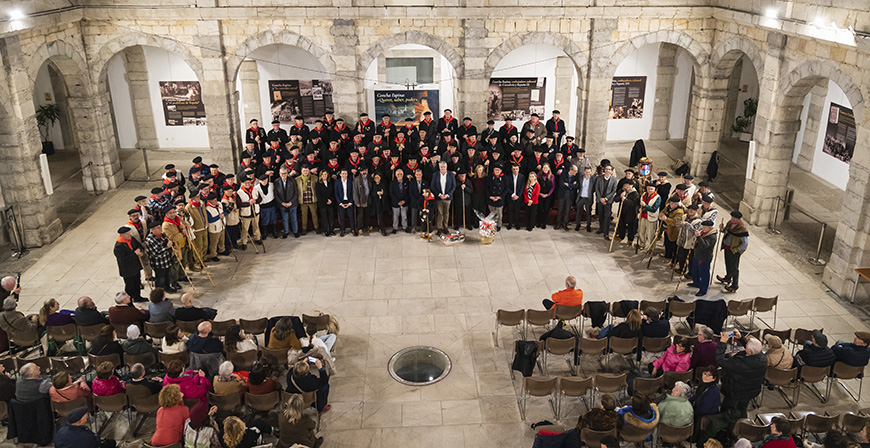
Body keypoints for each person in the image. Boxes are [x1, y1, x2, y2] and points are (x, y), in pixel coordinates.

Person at [716, 329, 766, 418]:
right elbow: (753, 349)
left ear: (749, 352)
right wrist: (741, 339)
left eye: (746, 345)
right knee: (742, 407)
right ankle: (743, 423)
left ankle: (727, 427)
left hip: (735, 391)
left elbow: (720, 360)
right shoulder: (763, 358)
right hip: (751, 390)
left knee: (727, 410)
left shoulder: (740, 363)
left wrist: (723, 343)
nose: (745, 345)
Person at [717, 210, 750, 293]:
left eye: (735, 218)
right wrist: (722, 229)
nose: (733, 219)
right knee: (728, 263)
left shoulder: (742, 229)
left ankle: (735, 285)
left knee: (734, 268)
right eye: (732, 217)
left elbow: (745, 243)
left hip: (734, 251)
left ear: (739, 219)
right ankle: (728, 278)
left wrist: (737, 251)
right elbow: (726, 232)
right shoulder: (730, 223)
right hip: (727, 248)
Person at [114, 226, 144, 302]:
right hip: (128, 270)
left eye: (128, 233)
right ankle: (128, 301)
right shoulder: (118, 247)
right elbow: (123, 259)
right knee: (130, 286)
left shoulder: (131, 239)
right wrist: (135, 253)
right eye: (126, 234)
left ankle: (137, 297)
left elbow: (139, 245)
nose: (128, 235)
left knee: (137, 283)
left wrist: (139, 249)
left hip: (135, 267)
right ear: (121, 235)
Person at [688, 220, 717, 296]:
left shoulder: (712, 236)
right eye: (703, 227)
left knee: (703, 273)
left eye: (705, 227)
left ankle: (703, 290)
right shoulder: (703, 233)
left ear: (710, 227)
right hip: (697, 255)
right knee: (695, 271)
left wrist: (698, 236)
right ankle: (696, 283)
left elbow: (704, 245)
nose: (703, 228)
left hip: (704, 257)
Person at [430, 161, 456, 235]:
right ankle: (439, 228)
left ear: (446, 167)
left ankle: (445, 227)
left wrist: (448, 194)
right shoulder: (435, 174)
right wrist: (439, 194)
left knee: (446, 213)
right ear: (439, 167)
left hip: (448, 197)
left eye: (444, 167)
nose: (443, 168)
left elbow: (453, 186)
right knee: (440, 213)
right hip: (439, 197)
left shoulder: (451, 175)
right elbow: (433, 186)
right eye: (441, 167)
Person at [274, 166, 299, 238]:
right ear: (279, 173)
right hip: (282, 204)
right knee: (285, 219)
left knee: (294, 218)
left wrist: (291, 202)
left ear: (287, 173)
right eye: (281, 173)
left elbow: (296, 193)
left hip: (292, 203)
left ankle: (295, 231)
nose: (283, 175)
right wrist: (282, 203)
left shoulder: (292, 180)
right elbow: (276, 194)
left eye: (285, 173)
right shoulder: (276, 182)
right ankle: (286, 231)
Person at [594, 165, 618, 239]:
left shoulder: (614, 179)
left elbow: (614, 190)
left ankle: (606, 232)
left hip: (608, 201)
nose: (608, 171)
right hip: (600, 200)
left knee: (607, 217)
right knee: (600, 215)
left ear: (611, 171)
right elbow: (596, 188)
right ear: (604, 170)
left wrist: (606, 199)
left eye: (609, 169)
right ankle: (601, 229)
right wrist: (601, 198)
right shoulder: (599, 178)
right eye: (606, 169)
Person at [613, 181, 639, 246]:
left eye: (629, 186)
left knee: (631, 227)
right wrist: (620, 196)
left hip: (631, 213)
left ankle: (630, 240)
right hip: (622, 212)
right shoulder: (622, 191)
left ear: (632, 186)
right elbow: (615, 199)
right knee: (621, 225)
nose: (627, 188)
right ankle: (621, 236)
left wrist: (625, 200)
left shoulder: (635, 194)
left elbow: (634, 204)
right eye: (626, 186)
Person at [296, 164, 319, 235]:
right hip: (303, 200)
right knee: (304, 215)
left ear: (309, 170)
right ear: (301, 171)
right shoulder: (297, 179)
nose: (305, 172)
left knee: (314, 214)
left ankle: (317, 227)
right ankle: (304, 229)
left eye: (306, 170)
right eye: (304, 171)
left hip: (312, 199)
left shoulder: (314, 178)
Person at [555, 164, 578, 230]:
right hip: (562, 195)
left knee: (567, 211)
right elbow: (561, 184)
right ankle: (558, 223)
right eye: (575, 171)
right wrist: (571, 185)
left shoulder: (576, 176)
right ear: (571, 170)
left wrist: (567, 184)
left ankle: (565, 224)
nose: (576, 173)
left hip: (570, 196)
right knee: (560, 210)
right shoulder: (563, 174)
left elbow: (576, 186)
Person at [486, 164, 507, 230]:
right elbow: (486, 188)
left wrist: (500, 197)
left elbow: (506, 189)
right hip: (491, 198)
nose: (497, 171)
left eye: (498, 170)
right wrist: (490, 196)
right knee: (492, 213)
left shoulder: (504, 177)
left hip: (500, 199)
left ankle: (498, 225)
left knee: (499, 214)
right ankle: (492, 224)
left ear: (501, 171)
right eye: (496, 169)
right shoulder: (490, 177)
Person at [352, 166, 372, 236]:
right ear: (360, 172)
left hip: (368, 199)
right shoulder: (357, 180)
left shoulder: (369, 178)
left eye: (366, 170)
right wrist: (356, 202)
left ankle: (367, 226)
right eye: (363, 171)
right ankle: (359, 228)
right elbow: (355, 192)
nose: (364, 172)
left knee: (367, 214)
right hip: (360, 200)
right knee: (360, 215)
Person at [335, 168, 355, 237]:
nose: (344, 175)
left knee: (351, 216)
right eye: (343, 173)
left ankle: (352, 229)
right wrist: (340, 203)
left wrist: (350, 202)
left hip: (349, 201)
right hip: (341, 202)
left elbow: (353, 193)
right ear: (340, 174)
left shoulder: (350, 181)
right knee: (342, 217)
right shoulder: (337, 182)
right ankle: (342, 230)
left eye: (345, 173)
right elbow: (336, 194)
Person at [315, 170, 336, 236]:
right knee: (324, 217)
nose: (324, 176)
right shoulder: (318, 184)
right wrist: (326, 200)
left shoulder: (330, 182)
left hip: (331, 202)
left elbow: (333, 192)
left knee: (331, 217)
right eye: (323, 174)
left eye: (325, 174)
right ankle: (326, 230)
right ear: (320, 176)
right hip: (323, 203)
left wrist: (331, 200)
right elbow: (318, 195)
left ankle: (331, 229)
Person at [370, 172, 390, 236]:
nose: (376, 179)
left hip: (383, 202)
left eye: (378, 177)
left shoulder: (383, 184)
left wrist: (383, 193)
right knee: (379, 215)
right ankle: (382, 228)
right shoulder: (372, 185)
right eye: (375, 178)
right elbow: (371, 193)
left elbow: (387, 192)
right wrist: (376, 193)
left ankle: (381, 226)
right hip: (375, 203)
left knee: (382, 215)